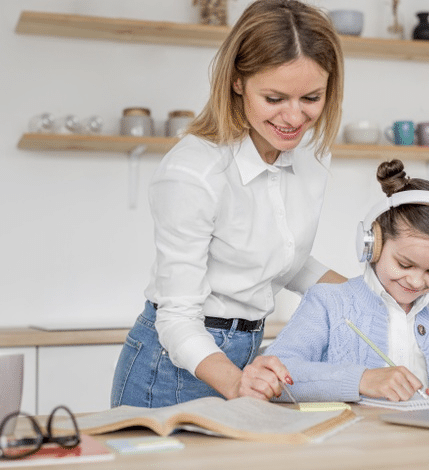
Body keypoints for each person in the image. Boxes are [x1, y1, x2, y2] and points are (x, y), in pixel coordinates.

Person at [111, 0, 346, 408]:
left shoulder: (309, 160)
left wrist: (371, 295)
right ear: (237, 81)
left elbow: (281, 258)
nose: (294, 117)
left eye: (311, 97)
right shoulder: (194, 171)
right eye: (274, 98)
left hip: (248, 353)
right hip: (171, 368)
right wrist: (236, 383)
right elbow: (176, 317)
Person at [264, 159, 429, 403]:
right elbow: (273, 372)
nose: (415, 280)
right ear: (373, 244)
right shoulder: (329, 303)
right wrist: (361, 380)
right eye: (404, 264)